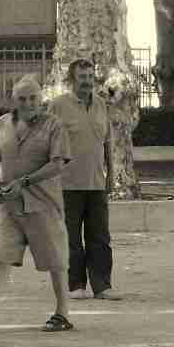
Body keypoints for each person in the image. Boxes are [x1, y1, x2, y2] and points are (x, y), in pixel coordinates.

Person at [0, 75, 74, 332]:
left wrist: (24, 182)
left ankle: (62, 314)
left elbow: (58, 164)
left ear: (41, 98)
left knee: (55, 262)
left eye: (33, 98)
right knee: (1, 257)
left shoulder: (54, 125)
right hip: (10, 208)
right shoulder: (2, 123)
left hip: (43, 205)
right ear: (14, 100)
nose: (28, 103)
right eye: (22, 98)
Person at [49, 58, 120, 300]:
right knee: (71, 239)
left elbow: (107, 142)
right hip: (66, 185)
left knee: (100, 238)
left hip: (97, 183)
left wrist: (111, 175)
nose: (87, 82)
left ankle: (102, 286)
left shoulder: (101, 104)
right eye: (82, 77)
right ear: (72, 79)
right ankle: (76, 285)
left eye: (90, 77)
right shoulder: (58, 106)